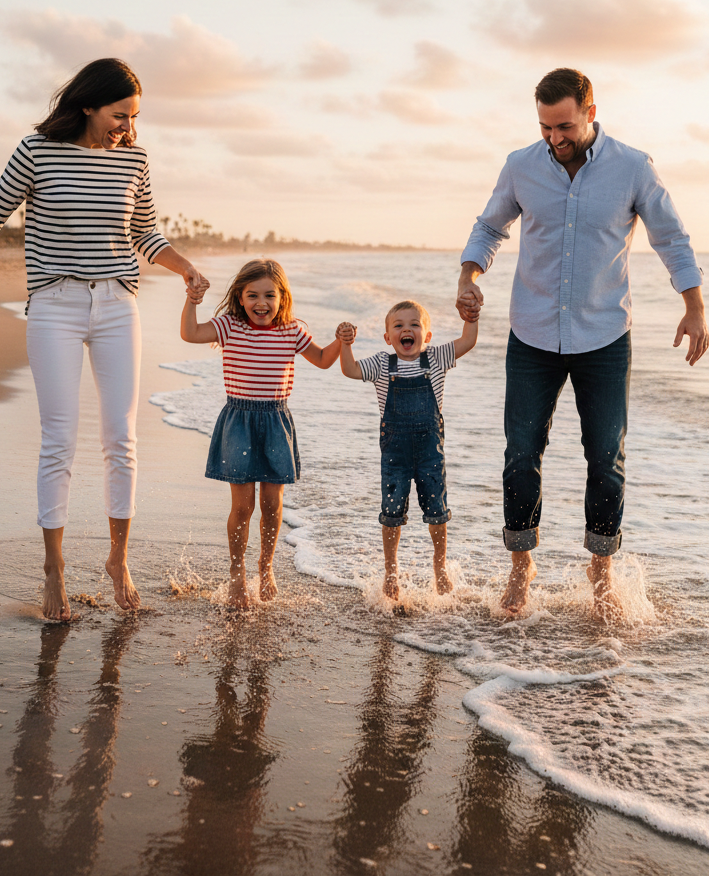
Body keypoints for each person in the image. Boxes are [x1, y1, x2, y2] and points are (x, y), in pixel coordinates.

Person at [0, 58, 209, 622]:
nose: (127, 127)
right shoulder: (36, 152)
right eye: (119, 114)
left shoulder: (133, 159)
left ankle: (118, 559)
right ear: (88, 104)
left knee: (122, 438)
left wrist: (184, 266)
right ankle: (54, 569)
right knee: (59, 439)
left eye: (134, 116)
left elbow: (145, 232)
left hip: (117, 304)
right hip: (55, 306)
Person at [456, 67, 707, 620]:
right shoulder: (521, 165)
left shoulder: (633, 167)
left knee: (606, 459)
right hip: (532, 333)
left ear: (591, 112)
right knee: (521, 455)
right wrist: (469, 276)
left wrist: (693, 305)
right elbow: (489, 226)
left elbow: (671, 237)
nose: (555, 139)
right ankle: (521, 571)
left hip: (604, 335)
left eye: (565, 125)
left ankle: (602, 576)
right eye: (545, 127)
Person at [180, 258, 342, 608]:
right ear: (240, 297)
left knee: (272, 504)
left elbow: (324, 359)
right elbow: (190, 334)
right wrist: (192, 301)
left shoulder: (291, 332)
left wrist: (342, 341)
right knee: (243, 506)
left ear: (283, 297)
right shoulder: (229, 326)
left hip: (276, 421)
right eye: (252, 295)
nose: (261, 303)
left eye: (270, 295)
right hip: (239, 420)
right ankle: (237, 573)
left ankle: (266, 567)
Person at [338, 300, 477, 600]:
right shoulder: (379, 363)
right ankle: (391, 570)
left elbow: (468, 340)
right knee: (391, 514)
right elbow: (349, 370)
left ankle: (439, 568)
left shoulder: (437, 358)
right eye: (398, 325)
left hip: (430, 455)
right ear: (388, 337)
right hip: (395, 457)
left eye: (415, 324)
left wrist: (471, 316)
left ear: (427, 335)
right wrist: (345, 344)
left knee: (437, 513)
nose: (407, 330)